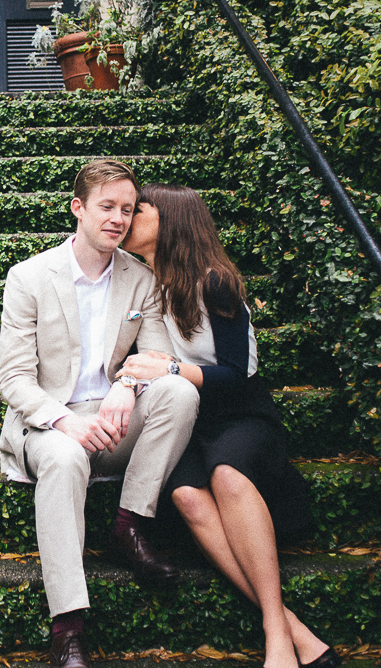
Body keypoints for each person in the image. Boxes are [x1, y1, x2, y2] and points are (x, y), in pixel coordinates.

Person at [117, 184, 339, 668]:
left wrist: (174, 371)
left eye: (140, 208)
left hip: (239, 410)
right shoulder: (136, 282)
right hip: (186, 418)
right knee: (186, 496)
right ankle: (293, 625)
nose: (128, 217)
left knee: (227, 477)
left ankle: (275, 633)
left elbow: (238, 374)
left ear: (171, 218)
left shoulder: (215, 281)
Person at [0, 160, 200, 668]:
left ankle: (128, 524)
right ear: (78, 208)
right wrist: (64, 421)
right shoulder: (29, 277)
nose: (117, 218)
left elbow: (153, 358)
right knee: (65, 460)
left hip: (112, 422)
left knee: (179, 393)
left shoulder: (142, 279)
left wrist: (128, 386)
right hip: (50, 422)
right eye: (106, 206)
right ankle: (68, 626)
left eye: (127, 209)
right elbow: (14, 379)